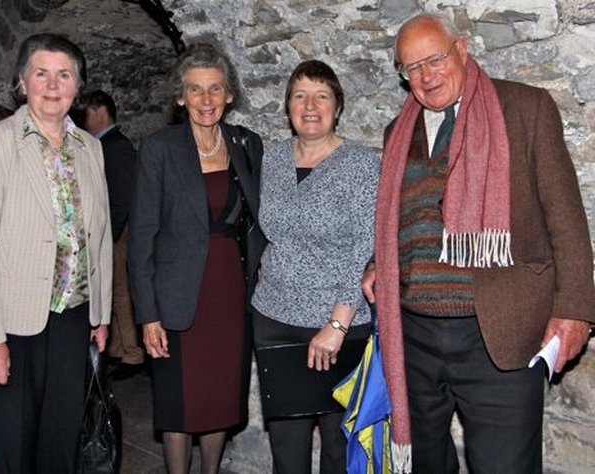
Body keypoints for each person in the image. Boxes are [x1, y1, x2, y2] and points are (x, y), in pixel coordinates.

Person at [362, 13, 595, 474]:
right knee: (426, 464)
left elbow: (566, 217)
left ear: (463, 50)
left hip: (502, 332)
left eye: (434, 59)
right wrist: (378, 263)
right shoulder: (397, 131)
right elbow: (400, 219)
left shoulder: (525, 108)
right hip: (414, 337)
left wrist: (574, 311)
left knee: (504, 466)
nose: (425, 76)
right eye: (412, 68)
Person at [0, 33, 112, 473]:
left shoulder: (91, 149)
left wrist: (100, 314)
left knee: (61, 439)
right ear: (22, 82)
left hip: (72, 317)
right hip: (11, 322)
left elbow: (97, 237)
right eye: (41, 73)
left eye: (64, 75)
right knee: (13, 445)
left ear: (77, 87)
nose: (52, 84)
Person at [127, 42, 264, 474]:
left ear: (230, 95)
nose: (206, 100)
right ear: (180, 96)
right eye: (195, 90)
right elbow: (141, 238)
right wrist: (147, 316)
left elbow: (259, 221)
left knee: (220, 397)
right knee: (178, 405)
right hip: (176, 297)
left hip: (229, 293)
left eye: (215, 89)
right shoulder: (159, 149)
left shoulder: (246, 144)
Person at [250, 60, 380, 474]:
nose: (310, 105)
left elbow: (365, 247)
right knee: (287, 449)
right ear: (287, 106)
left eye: (322, 95)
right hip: (273, 319)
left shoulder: (361, 164)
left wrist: (338, 324)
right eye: (299, 95)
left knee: (339, 448)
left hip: (339, 325)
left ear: (337, 107)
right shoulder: (272, 160)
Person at [81, 89, 145, 380]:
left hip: (118, 231)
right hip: (114, 229)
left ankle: (132, 354)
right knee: (113, 290)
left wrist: (112, 234)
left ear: (99, 111)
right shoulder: (107, 144)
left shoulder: (115, 146)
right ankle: (120, 349)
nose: (84, 121)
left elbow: (121, 194)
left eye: (86, 114)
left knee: (120, 291)